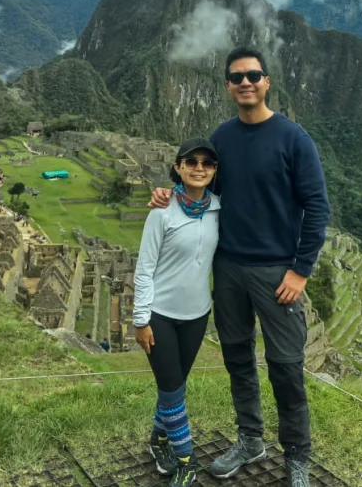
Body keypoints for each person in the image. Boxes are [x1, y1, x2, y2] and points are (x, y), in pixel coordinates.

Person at [150, 47, 330, 487]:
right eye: (237, 77)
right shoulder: (223, 137)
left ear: (267, 82)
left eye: (254, 75)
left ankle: (297, 457)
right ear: (229, 87)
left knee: (286, 365)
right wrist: (168, 194)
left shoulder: (293, 138)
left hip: (277, 271)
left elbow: (317, 206)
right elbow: (203, 184)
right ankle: (250, 438)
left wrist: (300, 270)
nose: (246, 83)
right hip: (228, 267)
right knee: (237, 358)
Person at [134, 137, 221, 487]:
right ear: (178, 167)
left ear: (214, 171)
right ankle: (187, 461)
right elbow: (144, 268)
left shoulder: (218, 208)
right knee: (171, 389)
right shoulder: (162, 212)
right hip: (161, 315)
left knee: (176, 387)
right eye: (192, 162)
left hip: (197, 315)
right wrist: (141, 319)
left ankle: (158, 441)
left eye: (207, 163)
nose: (199, 168)